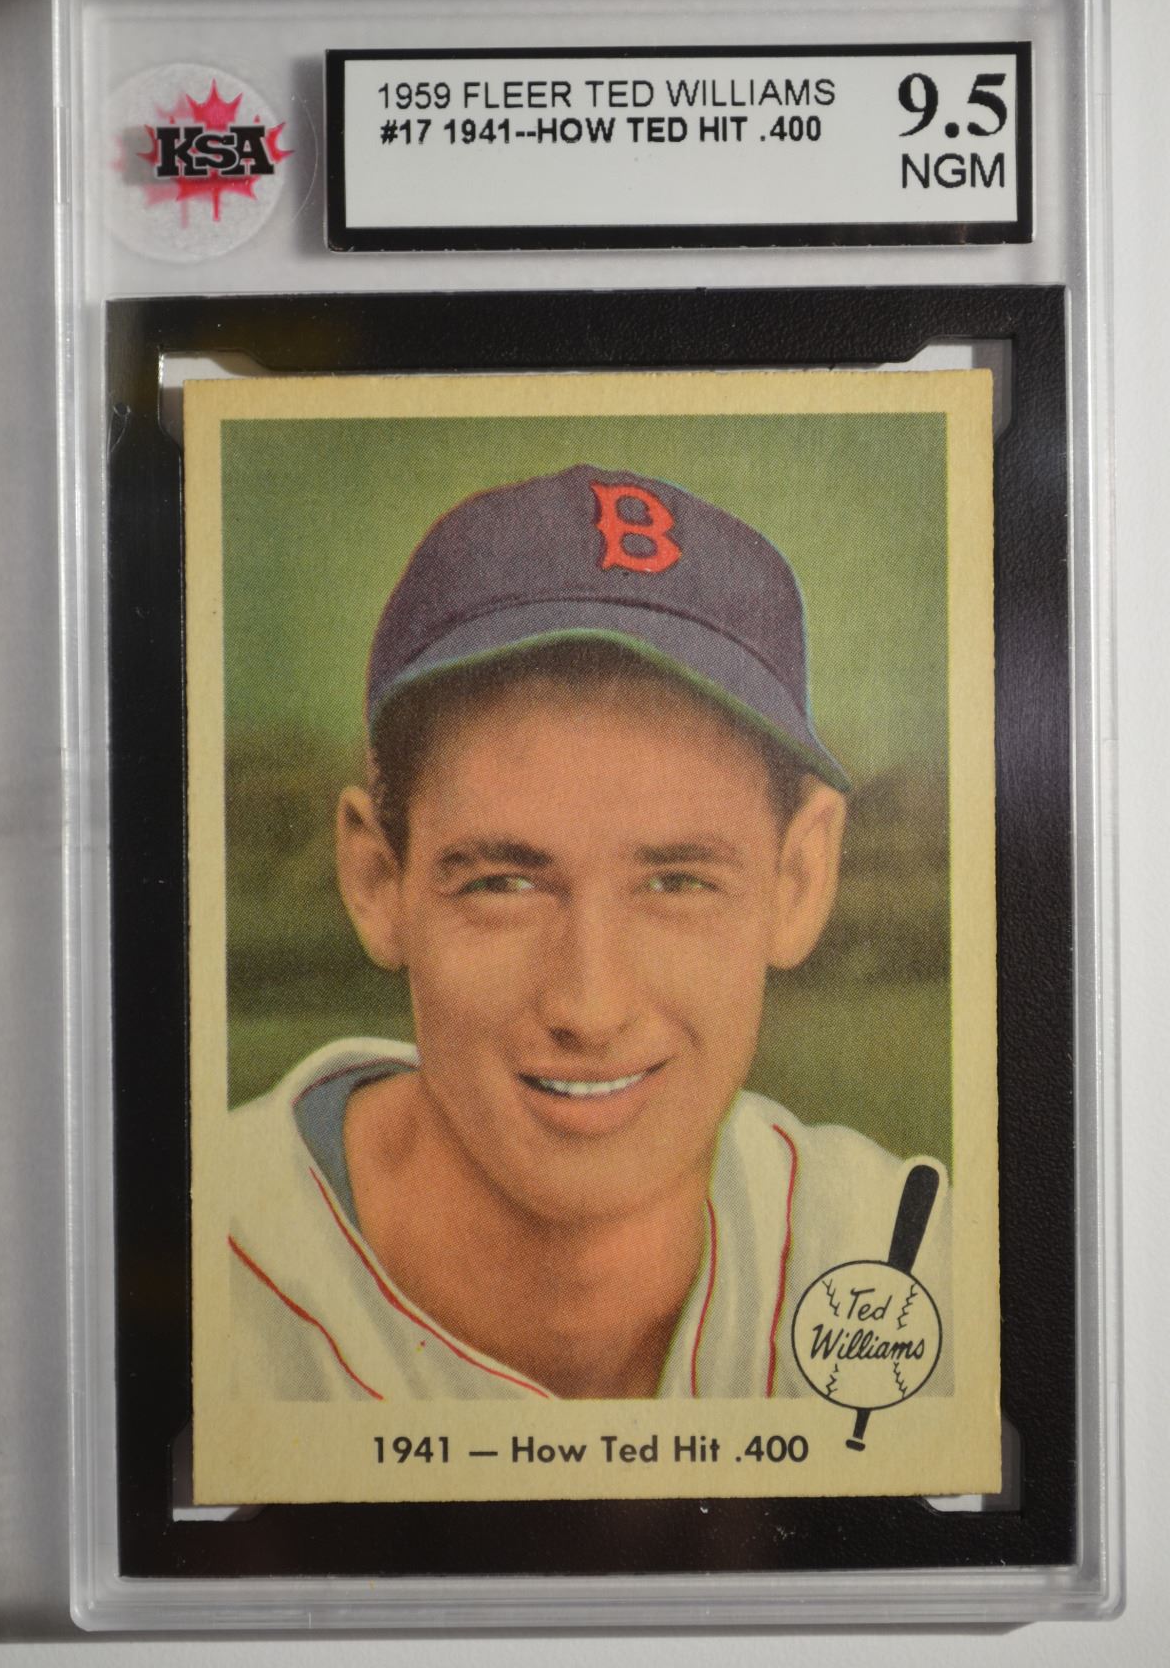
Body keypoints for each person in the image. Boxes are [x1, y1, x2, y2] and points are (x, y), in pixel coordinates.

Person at [226, 464, 949, 1401]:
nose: (590, 1005)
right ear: (377, 881)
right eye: (504, 884)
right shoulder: (197, 1264)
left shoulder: (914, 1261)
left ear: (800, 879)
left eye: (678, 881)